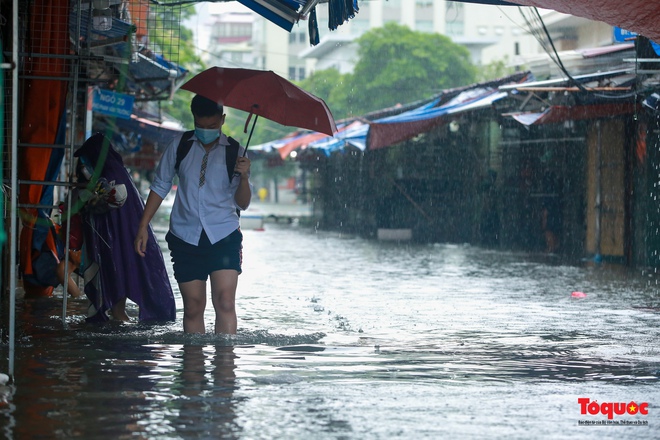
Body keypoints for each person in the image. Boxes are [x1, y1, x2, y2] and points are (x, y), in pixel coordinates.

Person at [134, 95, 253, 334]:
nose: (206, 131)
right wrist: (142, 227)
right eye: (201, 126)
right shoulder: (180, 145)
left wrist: (245, 178)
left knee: (226, 302)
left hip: (224, 235)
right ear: (194, 120)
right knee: (193, 307)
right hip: (184, 235)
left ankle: (225, 367)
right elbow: (160, 186)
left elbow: (244, 203)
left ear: (222, 119)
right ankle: (193, 368)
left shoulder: (235, 153)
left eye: (212, 126)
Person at [75, 133, 176, 322]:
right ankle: (119, 316)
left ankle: (118, 317)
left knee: (117, 279)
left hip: (117, 239)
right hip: (125, 237)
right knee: (121, 281)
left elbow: (108, 208)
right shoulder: (117, 172)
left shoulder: (110, 176)